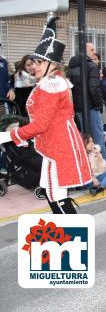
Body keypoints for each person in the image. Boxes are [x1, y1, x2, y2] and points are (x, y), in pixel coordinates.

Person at [0, 17, 91, 213]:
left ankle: (71, 237)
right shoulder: (50, 83)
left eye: (41, 62)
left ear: (53, 65)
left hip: (57, 146)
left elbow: (40, 125)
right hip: (55, 143)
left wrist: (8, 136)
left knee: (55, 194)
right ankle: (68, 236)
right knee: (53, 193)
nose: (35, 66)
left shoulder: (52, 85)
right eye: (35, 62)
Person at [68, 42, 106, 164]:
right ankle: (104, 162)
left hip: (79, 108)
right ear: (84, 51)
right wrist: (99, 105)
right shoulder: (91, 66)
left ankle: (87, 163)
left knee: (85, 137)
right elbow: (94, 88)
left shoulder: (72, 66)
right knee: (98, 135)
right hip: (91, 107)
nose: (94, 52)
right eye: (92, 50)